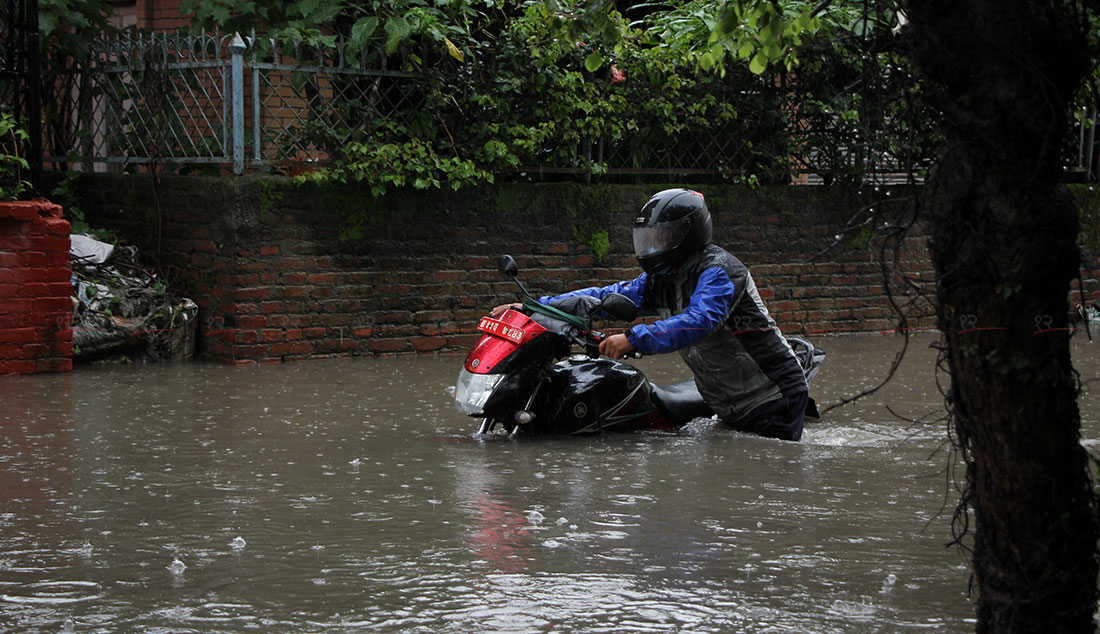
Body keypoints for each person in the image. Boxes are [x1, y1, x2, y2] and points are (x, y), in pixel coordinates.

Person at [491, 188, 810, 441]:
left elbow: (698, 322)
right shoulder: (663, 277)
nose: (653, 245)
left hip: (772, 397)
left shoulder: (720, 272)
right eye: (649, 238)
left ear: (688, 234)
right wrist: (536, 309)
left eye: (662, 237)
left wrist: (633, 339)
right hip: (726, 399)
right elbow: (603, 297)